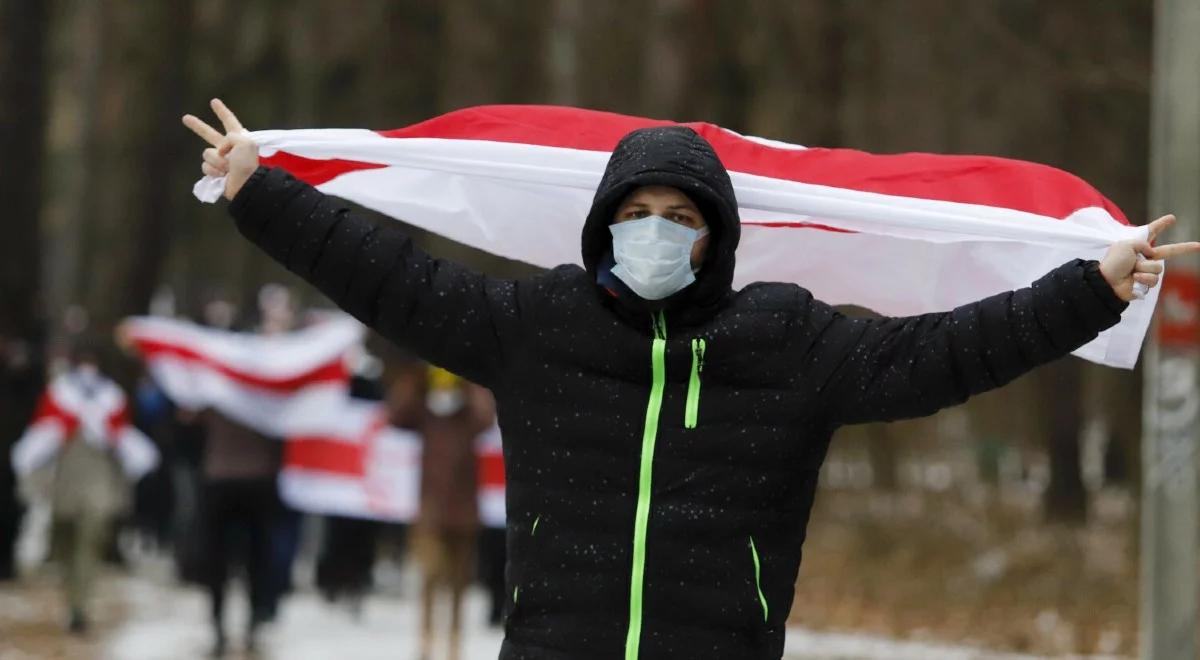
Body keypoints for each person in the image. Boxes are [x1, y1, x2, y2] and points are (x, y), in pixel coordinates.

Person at [184, 99, 1197, 660]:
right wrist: (258, 190)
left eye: (681, 216)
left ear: (715, 237)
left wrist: (1091, 290)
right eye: (638, 212)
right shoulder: (539, 327)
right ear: (603, 226)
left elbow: (951, 350)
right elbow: (387, 276)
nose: (657, 232)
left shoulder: (788, 345)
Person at [10, 342, 159, 633]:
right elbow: (42, 437)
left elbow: (123, 440)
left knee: (90, 539)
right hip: (66, 481)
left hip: (97, 481)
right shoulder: (59, 395)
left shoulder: (112, 398)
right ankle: (72, 596)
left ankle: (81, 604)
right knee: (67, 539)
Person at [392, 365, 496, 660]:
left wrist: (465, 381)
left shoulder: (467, 417)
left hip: (464, 512)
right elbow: (396, 414)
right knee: (430, 577)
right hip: (430, 513)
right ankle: (425, 639)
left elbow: (485, 416)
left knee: (459, 584)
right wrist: (419, 375)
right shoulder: (425, 414)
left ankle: (453, 643)